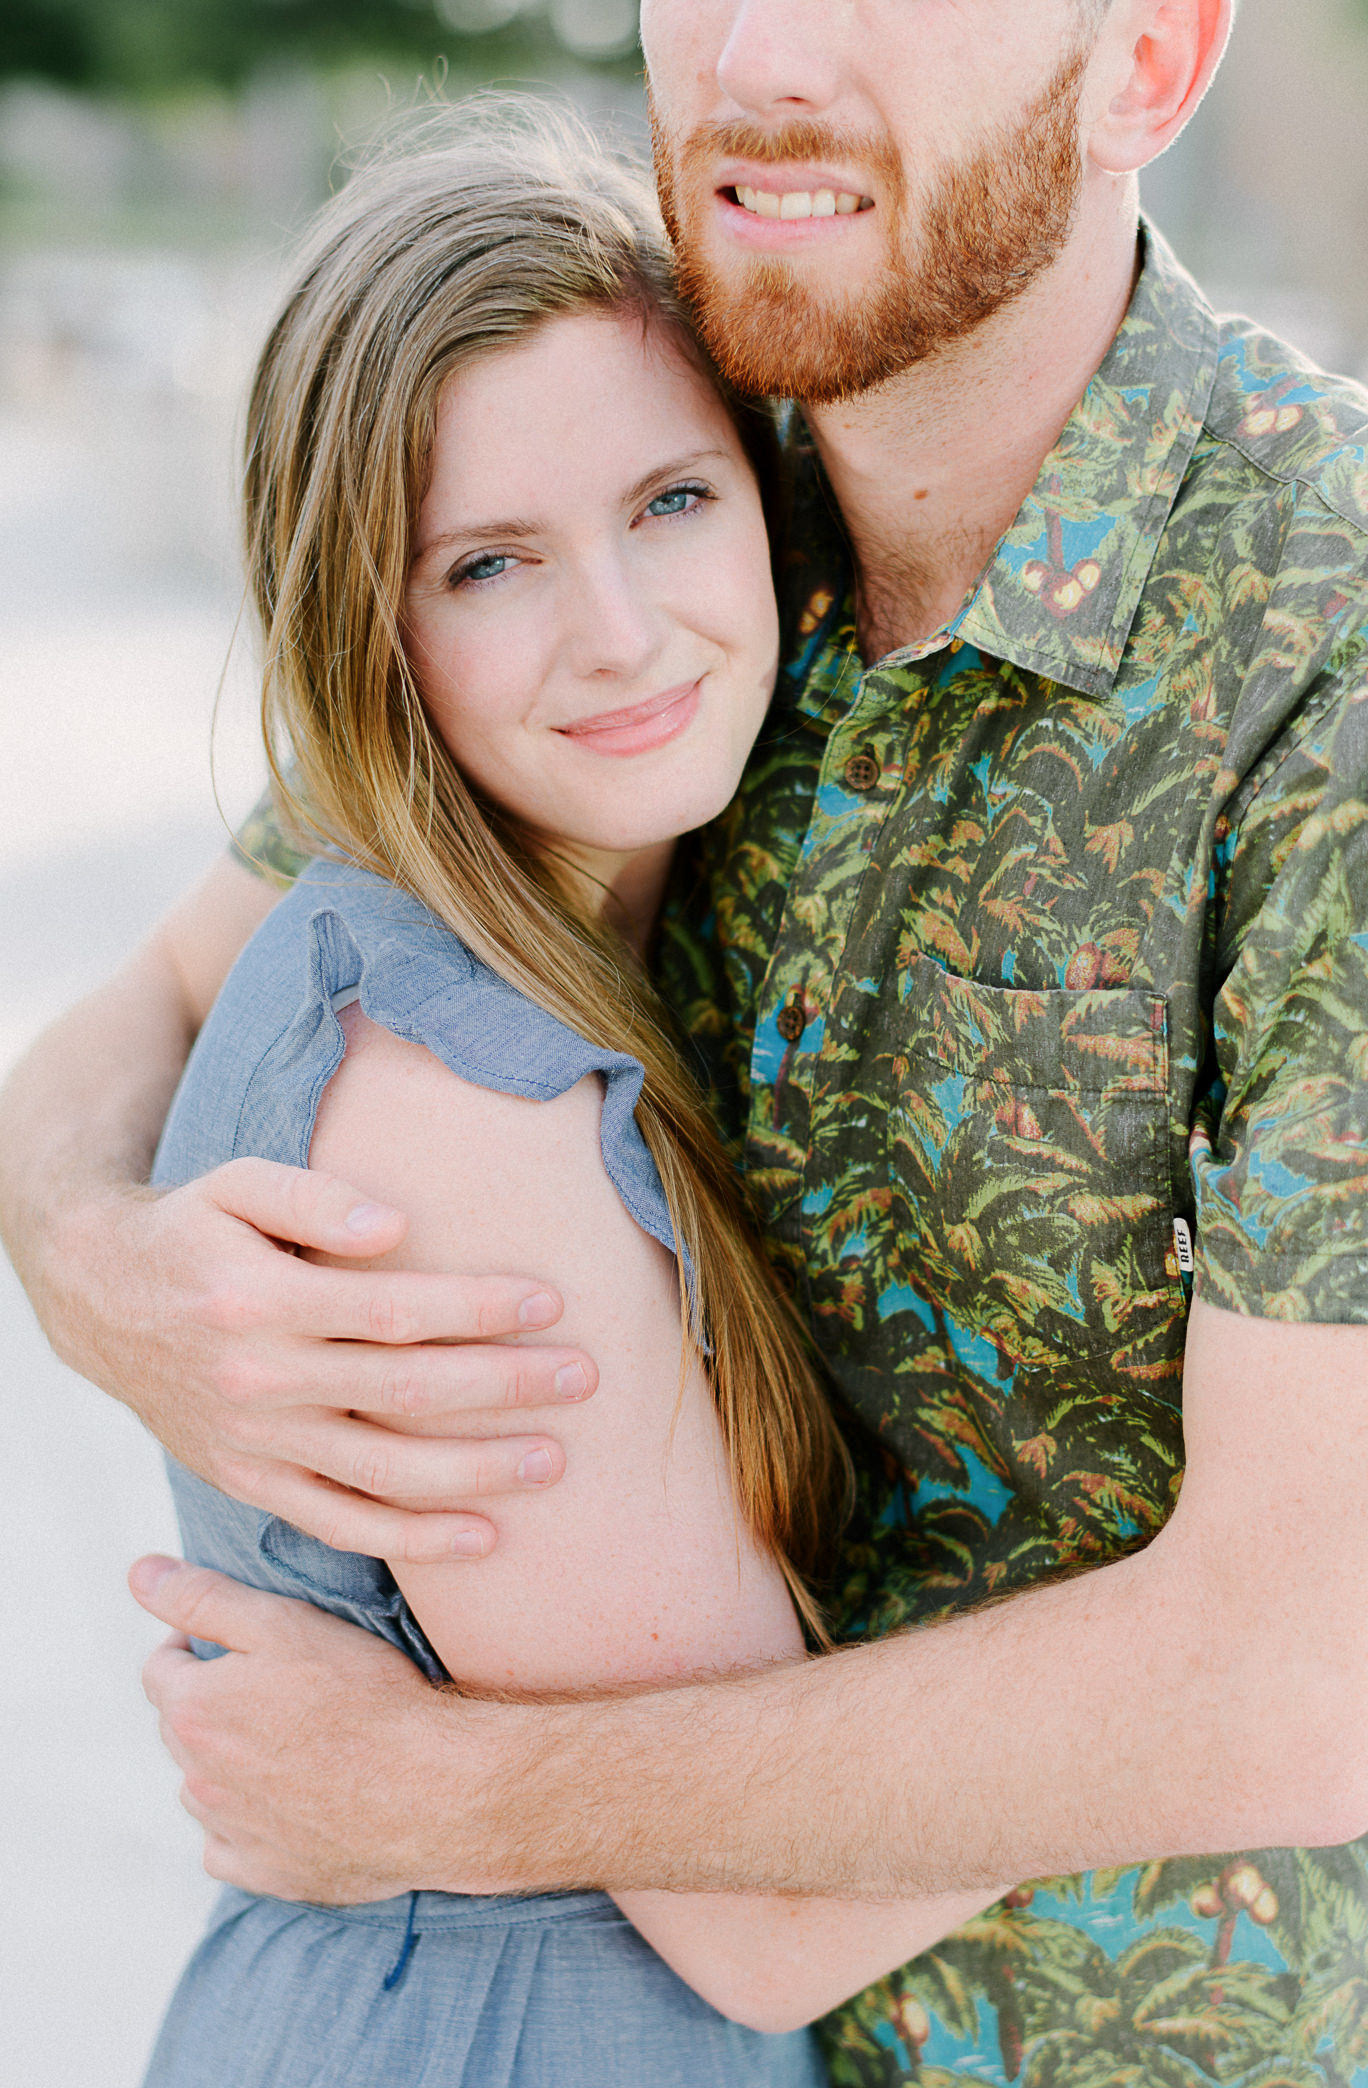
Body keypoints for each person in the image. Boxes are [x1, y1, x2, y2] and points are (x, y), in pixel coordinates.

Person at [6, 0, 1368, 2080]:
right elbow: (187, 987)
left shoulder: (1321, 657)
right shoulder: (681, 449)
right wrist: (105, 1274)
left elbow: (1309, 1671)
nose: (755, 49)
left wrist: (447, 1797)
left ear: (1153, 63)